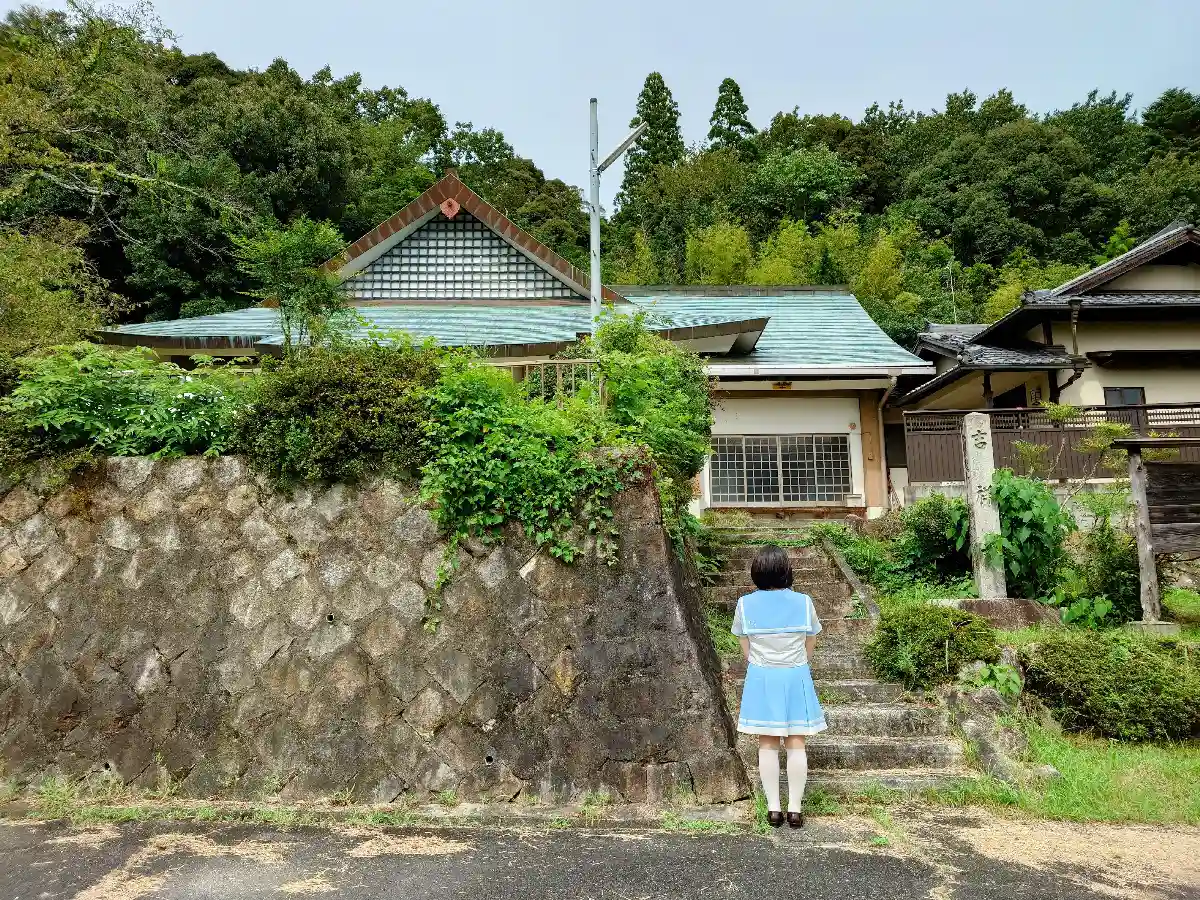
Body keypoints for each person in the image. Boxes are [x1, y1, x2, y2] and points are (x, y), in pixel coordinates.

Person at [732, 544, 826, 829]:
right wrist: (796, 662)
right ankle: (795, 810)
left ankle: (774, 809)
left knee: (768, 744)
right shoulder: (804, 602)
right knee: (797, 742)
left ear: (757, 572)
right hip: (795, 675)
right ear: (786, 571)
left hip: (762, 677)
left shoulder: (745, 604)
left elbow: (745, 647)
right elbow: (810, 642)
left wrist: (762, 663)